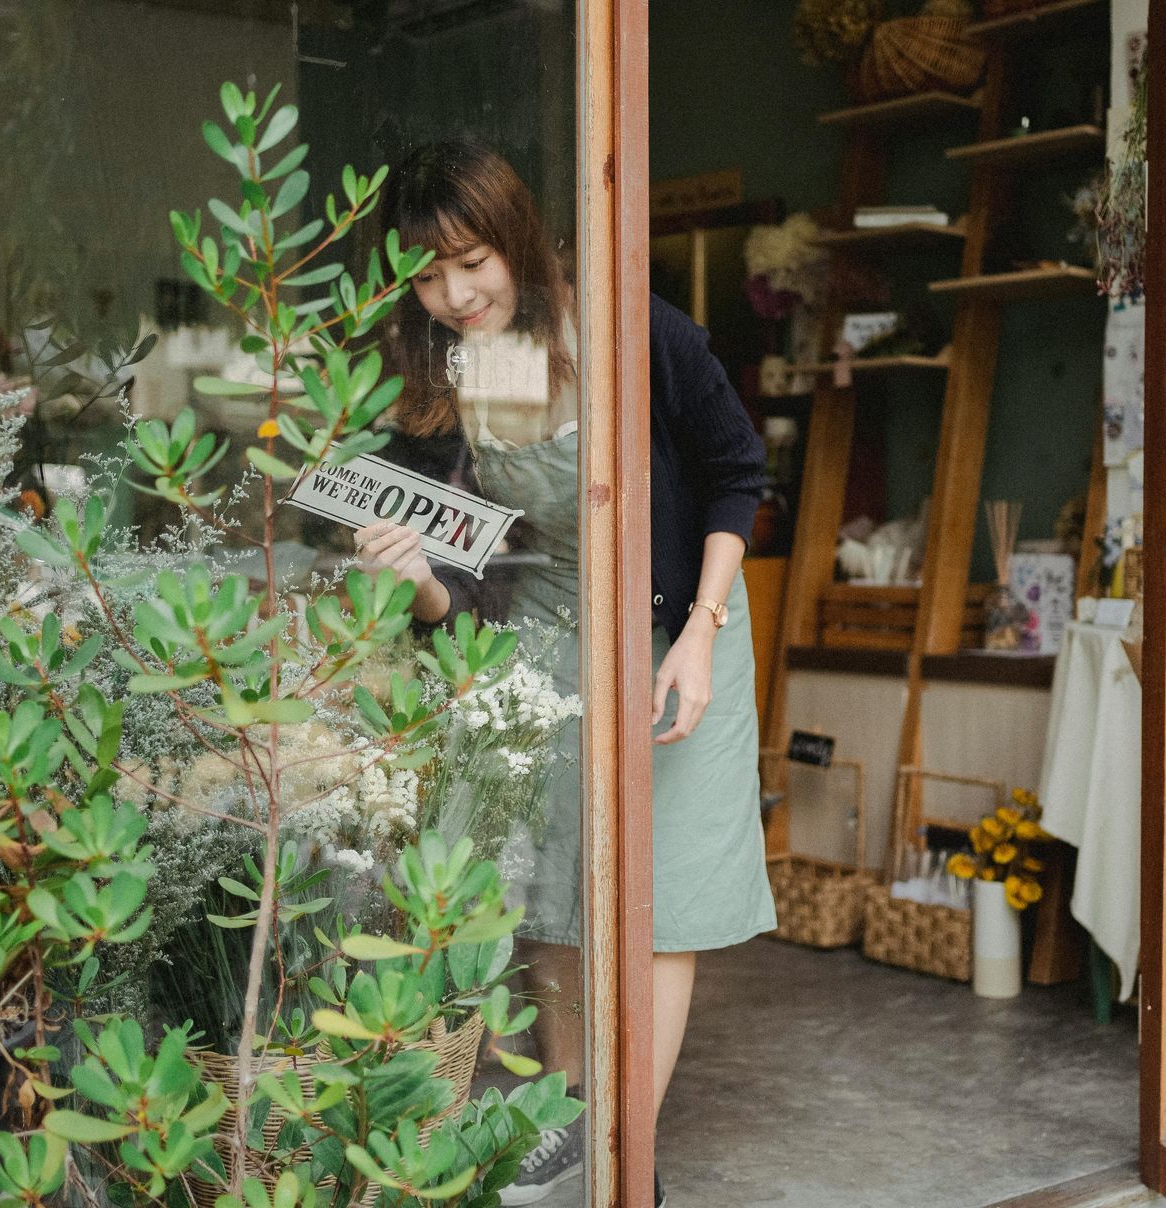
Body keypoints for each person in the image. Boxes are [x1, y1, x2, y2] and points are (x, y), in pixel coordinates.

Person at [355, 138, 777, 1207]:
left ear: (519, 241)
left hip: (678, 629)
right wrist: (412, 577)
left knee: (660, 897)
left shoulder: (635, 332)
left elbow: (738, 475)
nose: (453, 294)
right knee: (550, 890)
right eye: (427, 272)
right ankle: (569, 1110)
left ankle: (628, 1149)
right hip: (540, 637)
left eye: (473, 262)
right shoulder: (450, 369)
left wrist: (699, 637)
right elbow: (469, 583)